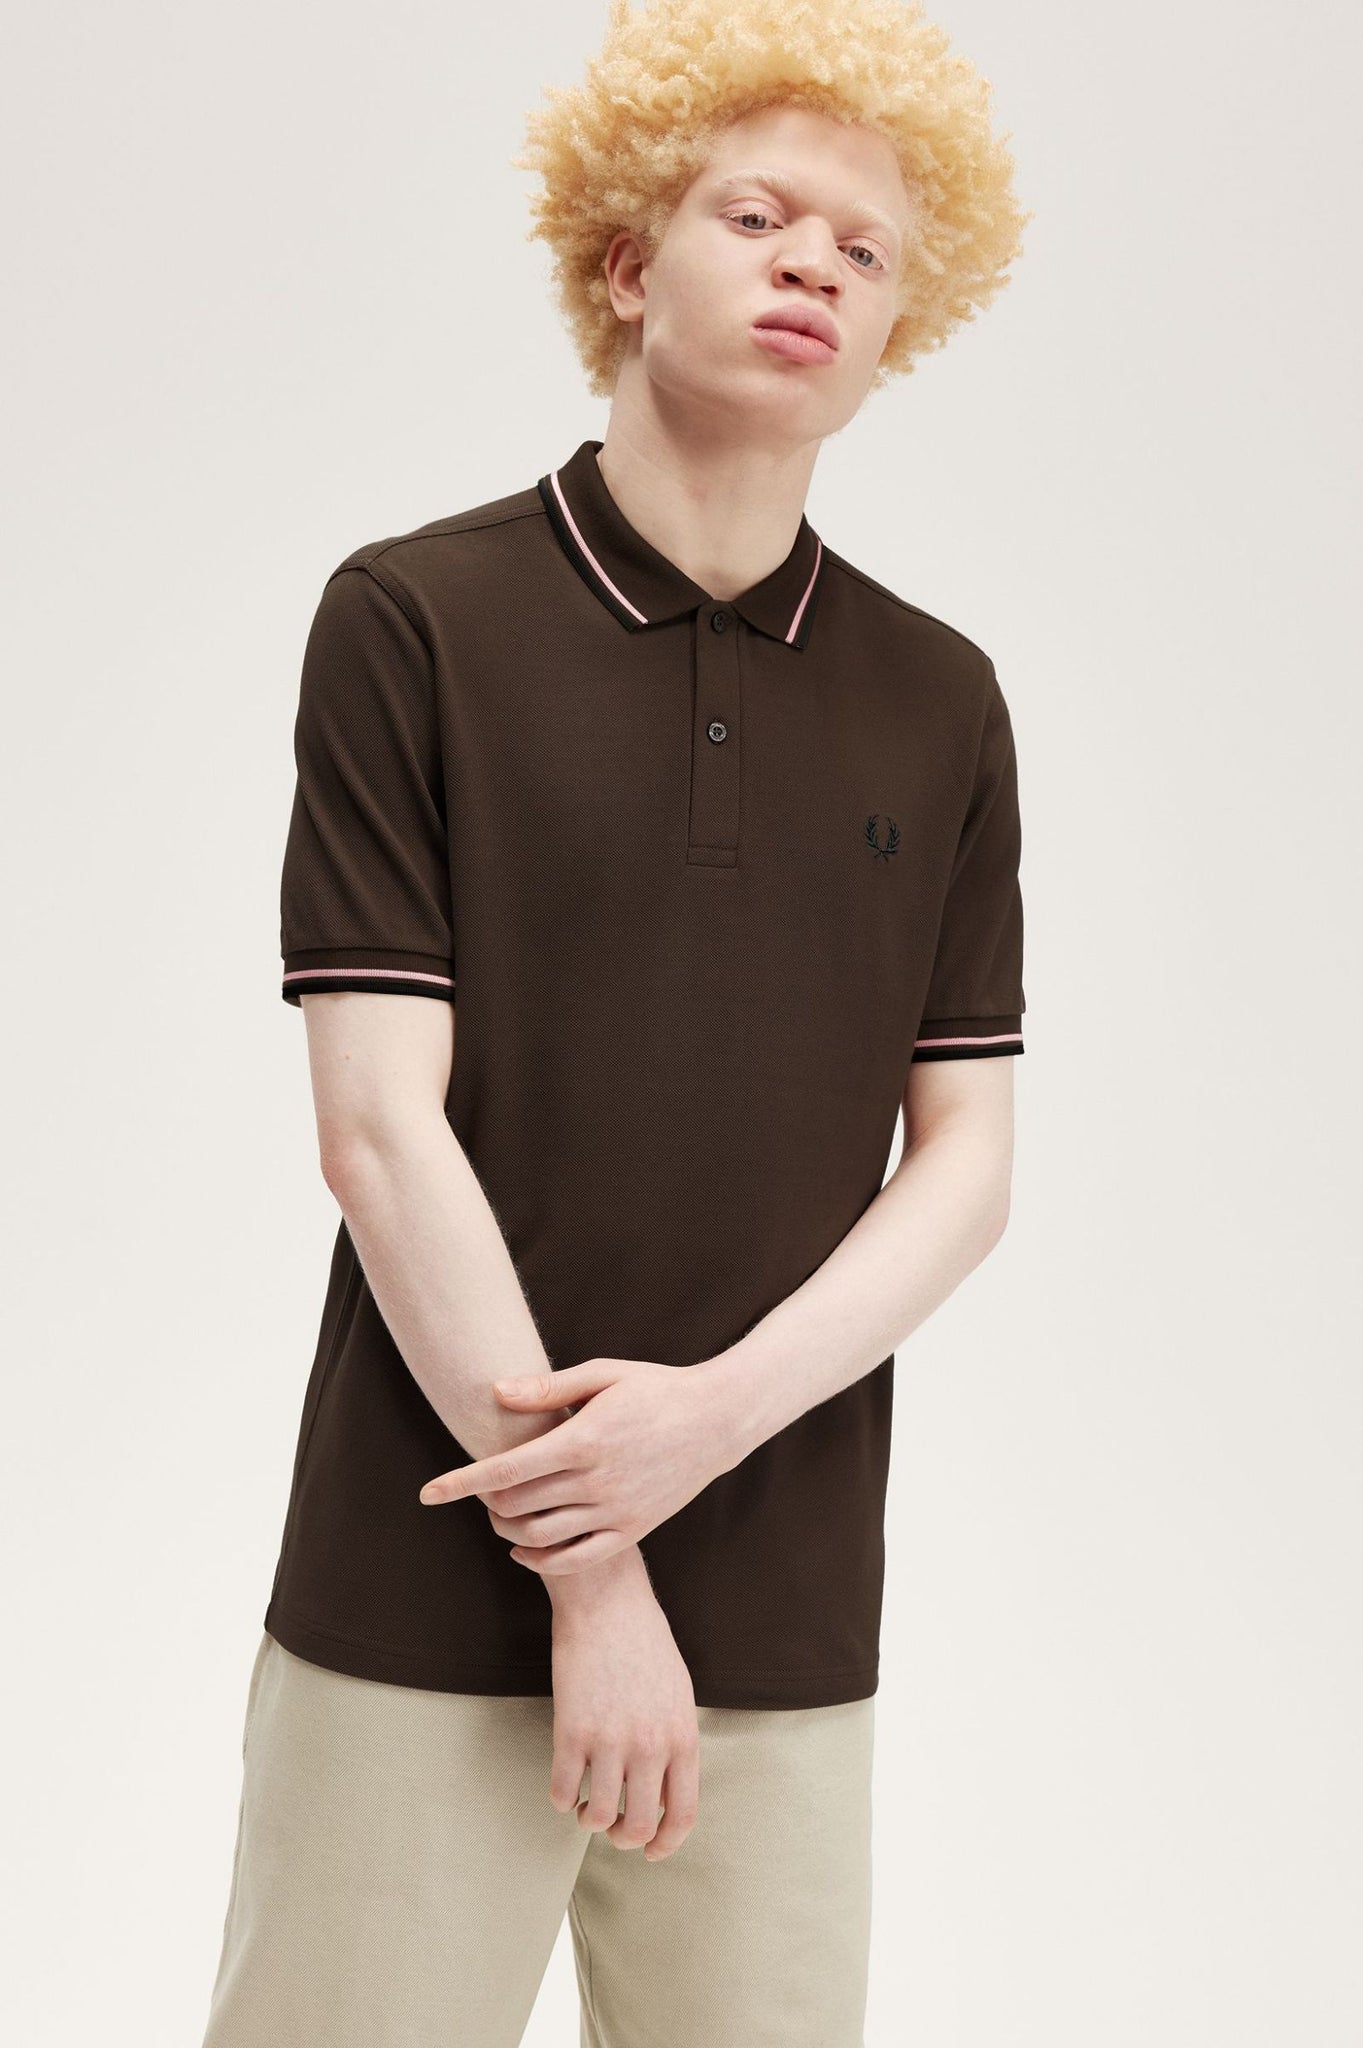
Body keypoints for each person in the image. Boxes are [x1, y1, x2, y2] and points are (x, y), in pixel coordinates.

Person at [200, 1, 1030, 2042]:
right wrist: (590, 1560)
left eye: (864, 249)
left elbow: (966, 1161)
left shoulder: (940, 698)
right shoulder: (415, 620)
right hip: (423, 1596)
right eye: (758, 216)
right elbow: (378, 1129)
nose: (813, 265)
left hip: (785, 1616)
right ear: (625, 261)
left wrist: (706, 1422)